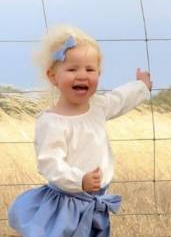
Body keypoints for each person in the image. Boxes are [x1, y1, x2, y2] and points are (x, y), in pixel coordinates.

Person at [8, 25, 152, 237]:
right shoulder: (52, 122)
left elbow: (121, 98)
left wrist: (141, 86)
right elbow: (50, 162)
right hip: (67, 204)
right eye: (72, 69)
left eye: (90, 69)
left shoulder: (98, 107)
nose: (82, 75)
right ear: (52, 76)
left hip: (95, 201)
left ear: (99, 74)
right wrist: (79, 180)